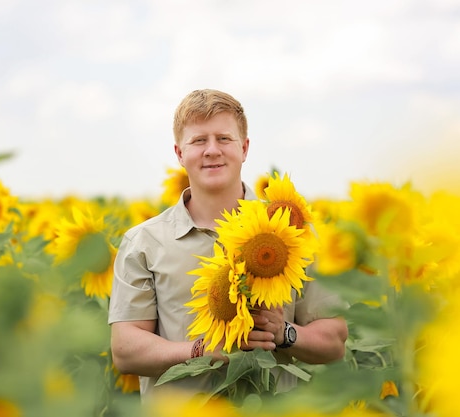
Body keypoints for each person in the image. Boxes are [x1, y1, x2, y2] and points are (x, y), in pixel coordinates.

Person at [108, 89, 348, 402]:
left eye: (224, 138)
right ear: (180, 153)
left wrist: (284, 333)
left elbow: (335, 341)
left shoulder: (291, 231)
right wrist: (202, 350)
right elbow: (125, 350)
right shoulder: (145, 242)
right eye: (198, 140)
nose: (212, 151)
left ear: (244, 148)